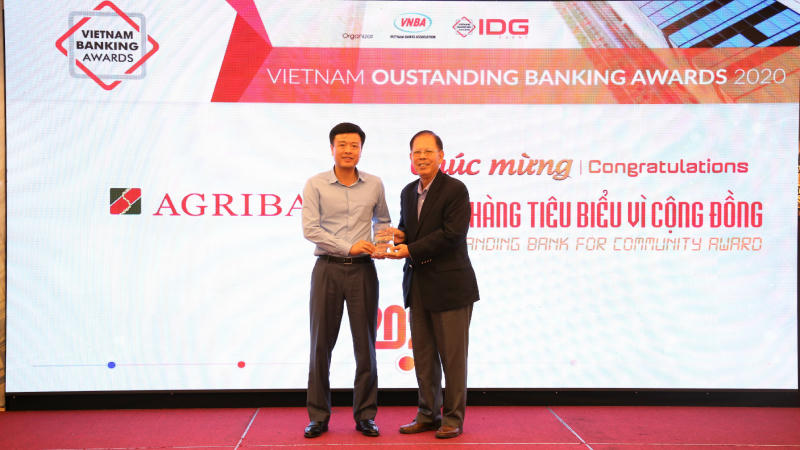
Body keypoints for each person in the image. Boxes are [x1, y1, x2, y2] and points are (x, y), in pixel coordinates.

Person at [385, 130, 479, 439]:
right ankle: (427, 414)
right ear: (410, 157)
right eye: (417, 152)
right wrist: (397, 236)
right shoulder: (407, 192)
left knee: (452, 359)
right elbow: (408, 230)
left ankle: (452, 418)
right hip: (418, 285)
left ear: (441, 156)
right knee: (424, 357)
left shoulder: (455, 189)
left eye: (428, 151)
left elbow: (452, 234)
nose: (422, 157)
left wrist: (410, 248)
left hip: (451, 286)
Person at [301, 122, 390, 438]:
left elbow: (383, 221)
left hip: (363, 270)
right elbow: (310, 229)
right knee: (320, 345)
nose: (348, 150)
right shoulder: (315, 184)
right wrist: (347, 246)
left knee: (365, 346)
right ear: (332, 148)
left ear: (361, 149)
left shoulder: (375, 184)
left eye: (354, 145)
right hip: (327, 269)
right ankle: (318, 416)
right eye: (342, 145)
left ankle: (365, 415)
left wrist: (381, 245)